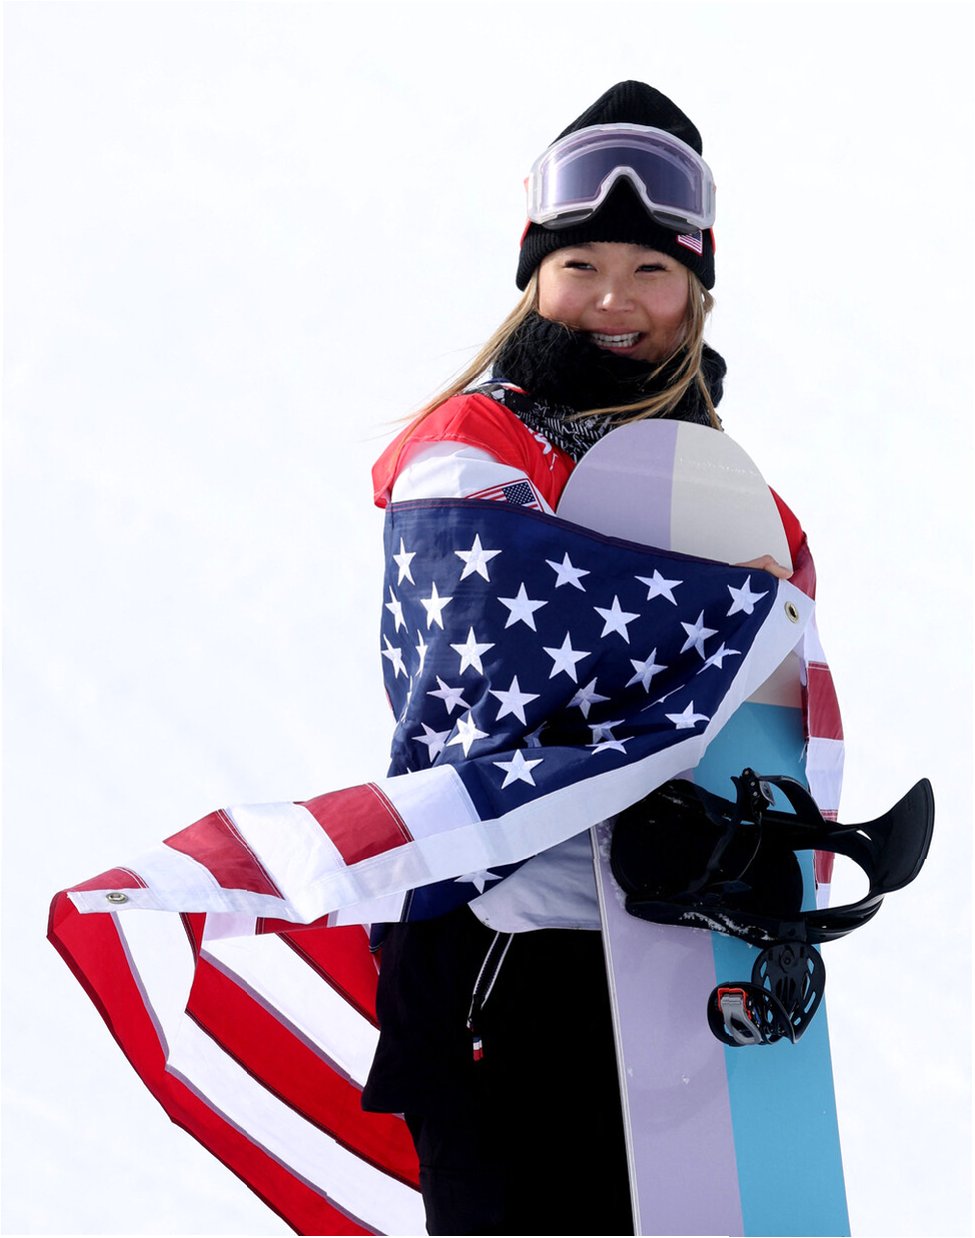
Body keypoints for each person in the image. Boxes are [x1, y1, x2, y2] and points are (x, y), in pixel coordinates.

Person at [359, 80, 804, 1237]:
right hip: (503, 953)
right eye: (580, 265)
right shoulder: (467, 447)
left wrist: (773, 848)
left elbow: (776, 704)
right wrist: (714, 631)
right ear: (534, 276)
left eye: (652, 268)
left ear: (696, 289)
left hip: (671, 973)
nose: (615, 296)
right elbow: (495, 641)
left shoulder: (728, 495)